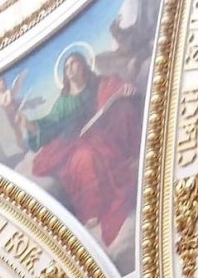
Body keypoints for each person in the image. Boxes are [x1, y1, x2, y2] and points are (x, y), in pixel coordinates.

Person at [19, 50, 142, 249]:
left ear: (84, 65)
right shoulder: (63, 102)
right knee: (84, 158)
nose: (70, 69)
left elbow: (115, 88)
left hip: (104, 131)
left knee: (122, 113)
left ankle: (132, 156)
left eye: (74, 63)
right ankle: (93, 211)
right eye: (66, 67)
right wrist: (32, 126)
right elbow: (51, 123)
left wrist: (124, 88)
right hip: (77, 141)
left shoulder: (97, 85)